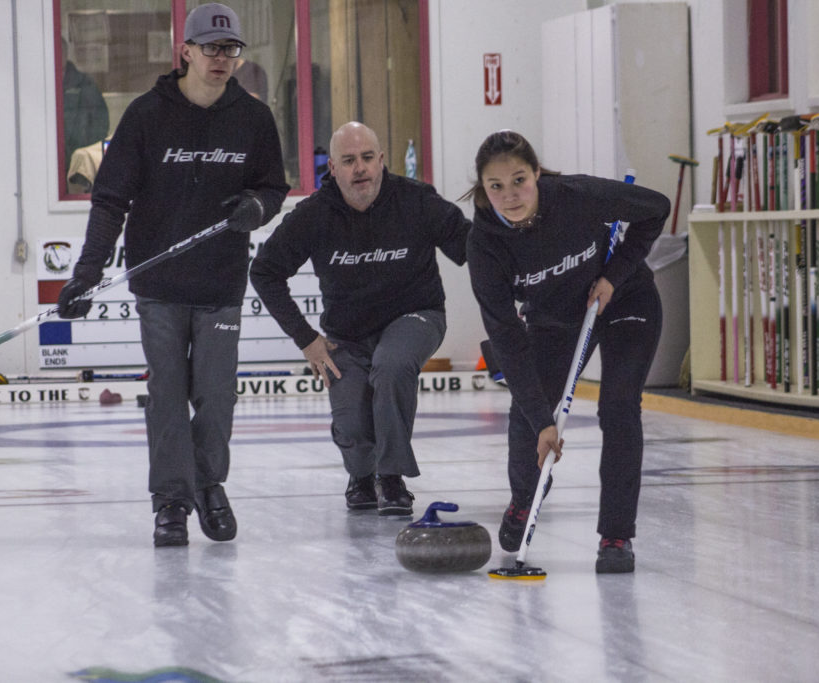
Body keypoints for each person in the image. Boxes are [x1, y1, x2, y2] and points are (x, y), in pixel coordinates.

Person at [56, 3, 290, 547]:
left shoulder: (254, 118)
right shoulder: (145, 115)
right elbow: (110, 199)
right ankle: (170, 501)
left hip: (221, 283)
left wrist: (256, 208)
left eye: (230, 49)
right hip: (159, 285)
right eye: (210, 48)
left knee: (216, 394)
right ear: (184, 50)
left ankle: (209, 485)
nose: (221, 59)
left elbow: (273, 188)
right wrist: (86, 273)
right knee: (167, 394)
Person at [463, 130, 669, 573]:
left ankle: (616, 536)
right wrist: (543, 422)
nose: (511, 195)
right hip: (555, 319)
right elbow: (506, 338)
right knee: (528, 406)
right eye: (496, 186)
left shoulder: (577, 195)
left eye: (519, 180)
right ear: (483, 188)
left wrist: (614, 276)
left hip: (624, 299)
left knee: (618, 406)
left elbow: (656, 209)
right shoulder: (485, 245)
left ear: (537, 173)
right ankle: (524, 499)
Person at [249, 121, 470, 516]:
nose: (360, 168)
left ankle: (392, 477)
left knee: (392, 364)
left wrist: (518, 285)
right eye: (348, 161)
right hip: (346, 337)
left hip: (416, 316)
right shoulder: (314, 215)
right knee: (351, 424)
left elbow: (474, 247)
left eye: (368, 158)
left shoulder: (416, 201)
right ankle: (362, 476)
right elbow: (264, 271)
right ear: (332, 168)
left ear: (382, 160)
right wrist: (306, 339)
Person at [61, 39, 109, 180]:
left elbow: (101, 122)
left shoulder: (84, 84)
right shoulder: (42, 83)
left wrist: (86, 152)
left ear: (65, 54)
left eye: (61, 52)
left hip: (79, 160)